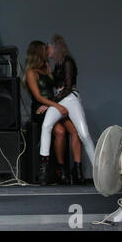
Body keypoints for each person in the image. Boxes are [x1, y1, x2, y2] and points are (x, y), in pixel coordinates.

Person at [23, 41, 83, 185]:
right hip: (41, 109)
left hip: (53, 106)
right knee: (60, 131)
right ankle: (58, 170)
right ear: (38, 53)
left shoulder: (47, 67)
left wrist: (56, 102)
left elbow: (56, 89)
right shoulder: (32, 72)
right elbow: (38, 97)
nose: (48, 52)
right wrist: (53, 105)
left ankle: (76, 170)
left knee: (74, 130)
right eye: (45, 50)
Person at [39, 34, 95, 184]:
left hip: (70, 98)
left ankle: (98, 169)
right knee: (46, 126)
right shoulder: (56, 64)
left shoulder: (68, 62)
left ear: (55, 46)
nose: (46, 50)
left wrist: (50, 102)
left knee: (83, 134)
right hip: (60, 99)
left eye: (48, 47)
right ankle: (44, 168)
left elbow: (68, 88)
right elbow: (56, 86)